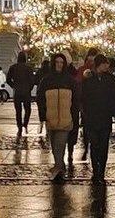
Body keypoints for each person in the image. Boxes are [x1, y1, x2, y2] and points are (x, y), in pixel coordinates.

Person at [36, 52, 78, 183]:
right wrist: (43, 116)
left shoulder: (70, 81)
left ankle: (59, 168)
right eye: (57, 62)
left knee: (60, 144)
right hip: (51, 119)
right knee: (54, 146)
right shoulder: (46, 81)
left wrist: (75, 116)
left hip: (65, 119)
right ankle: (59, 165)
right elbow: (40, 99)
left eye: (61, 62)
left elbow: (76, 100)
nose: (59, 65)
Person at [81, 53, 115, 185]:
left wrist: (112, 111)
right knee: (94, 145)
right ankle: (96, 170)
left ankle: (101, 172)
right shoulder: (89, 80)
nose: (107, 66)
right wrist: (85, 112)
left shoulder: (110, 79)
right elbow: (84, 97)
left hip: (104, 117)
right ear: (99, 64)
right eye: (105, 63)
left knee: (103, 146)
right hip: (92, 118)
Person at [76, 47, 99, 161]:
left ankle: (91, 150)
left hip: (92, 106)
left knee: (92, 130)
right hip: (87, 105)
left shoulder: (98, 72)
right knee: (88, 129)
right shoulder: (83, 71)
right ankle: (87, 148)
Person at [7, 52, 35, 136]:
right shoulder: (29, 68)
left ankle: (19, 128)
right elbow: (32, 80)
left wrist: (14, 86)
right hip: (26, 92)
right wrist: (29, 88)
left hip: (17, 91)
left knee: (18, 111)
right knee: (28, 109)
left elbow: (8, 79)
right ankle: (25, 124)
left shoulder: (13, 68)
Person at [34, 59, 51, 134]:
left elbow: (35, 80)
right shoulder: (51, 72)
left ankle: (41, 123)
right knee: (49, 109)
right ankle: (48, 126)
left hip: (40, 93)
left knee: (41, 109)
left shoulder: (39, 71)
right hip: (49, 92)